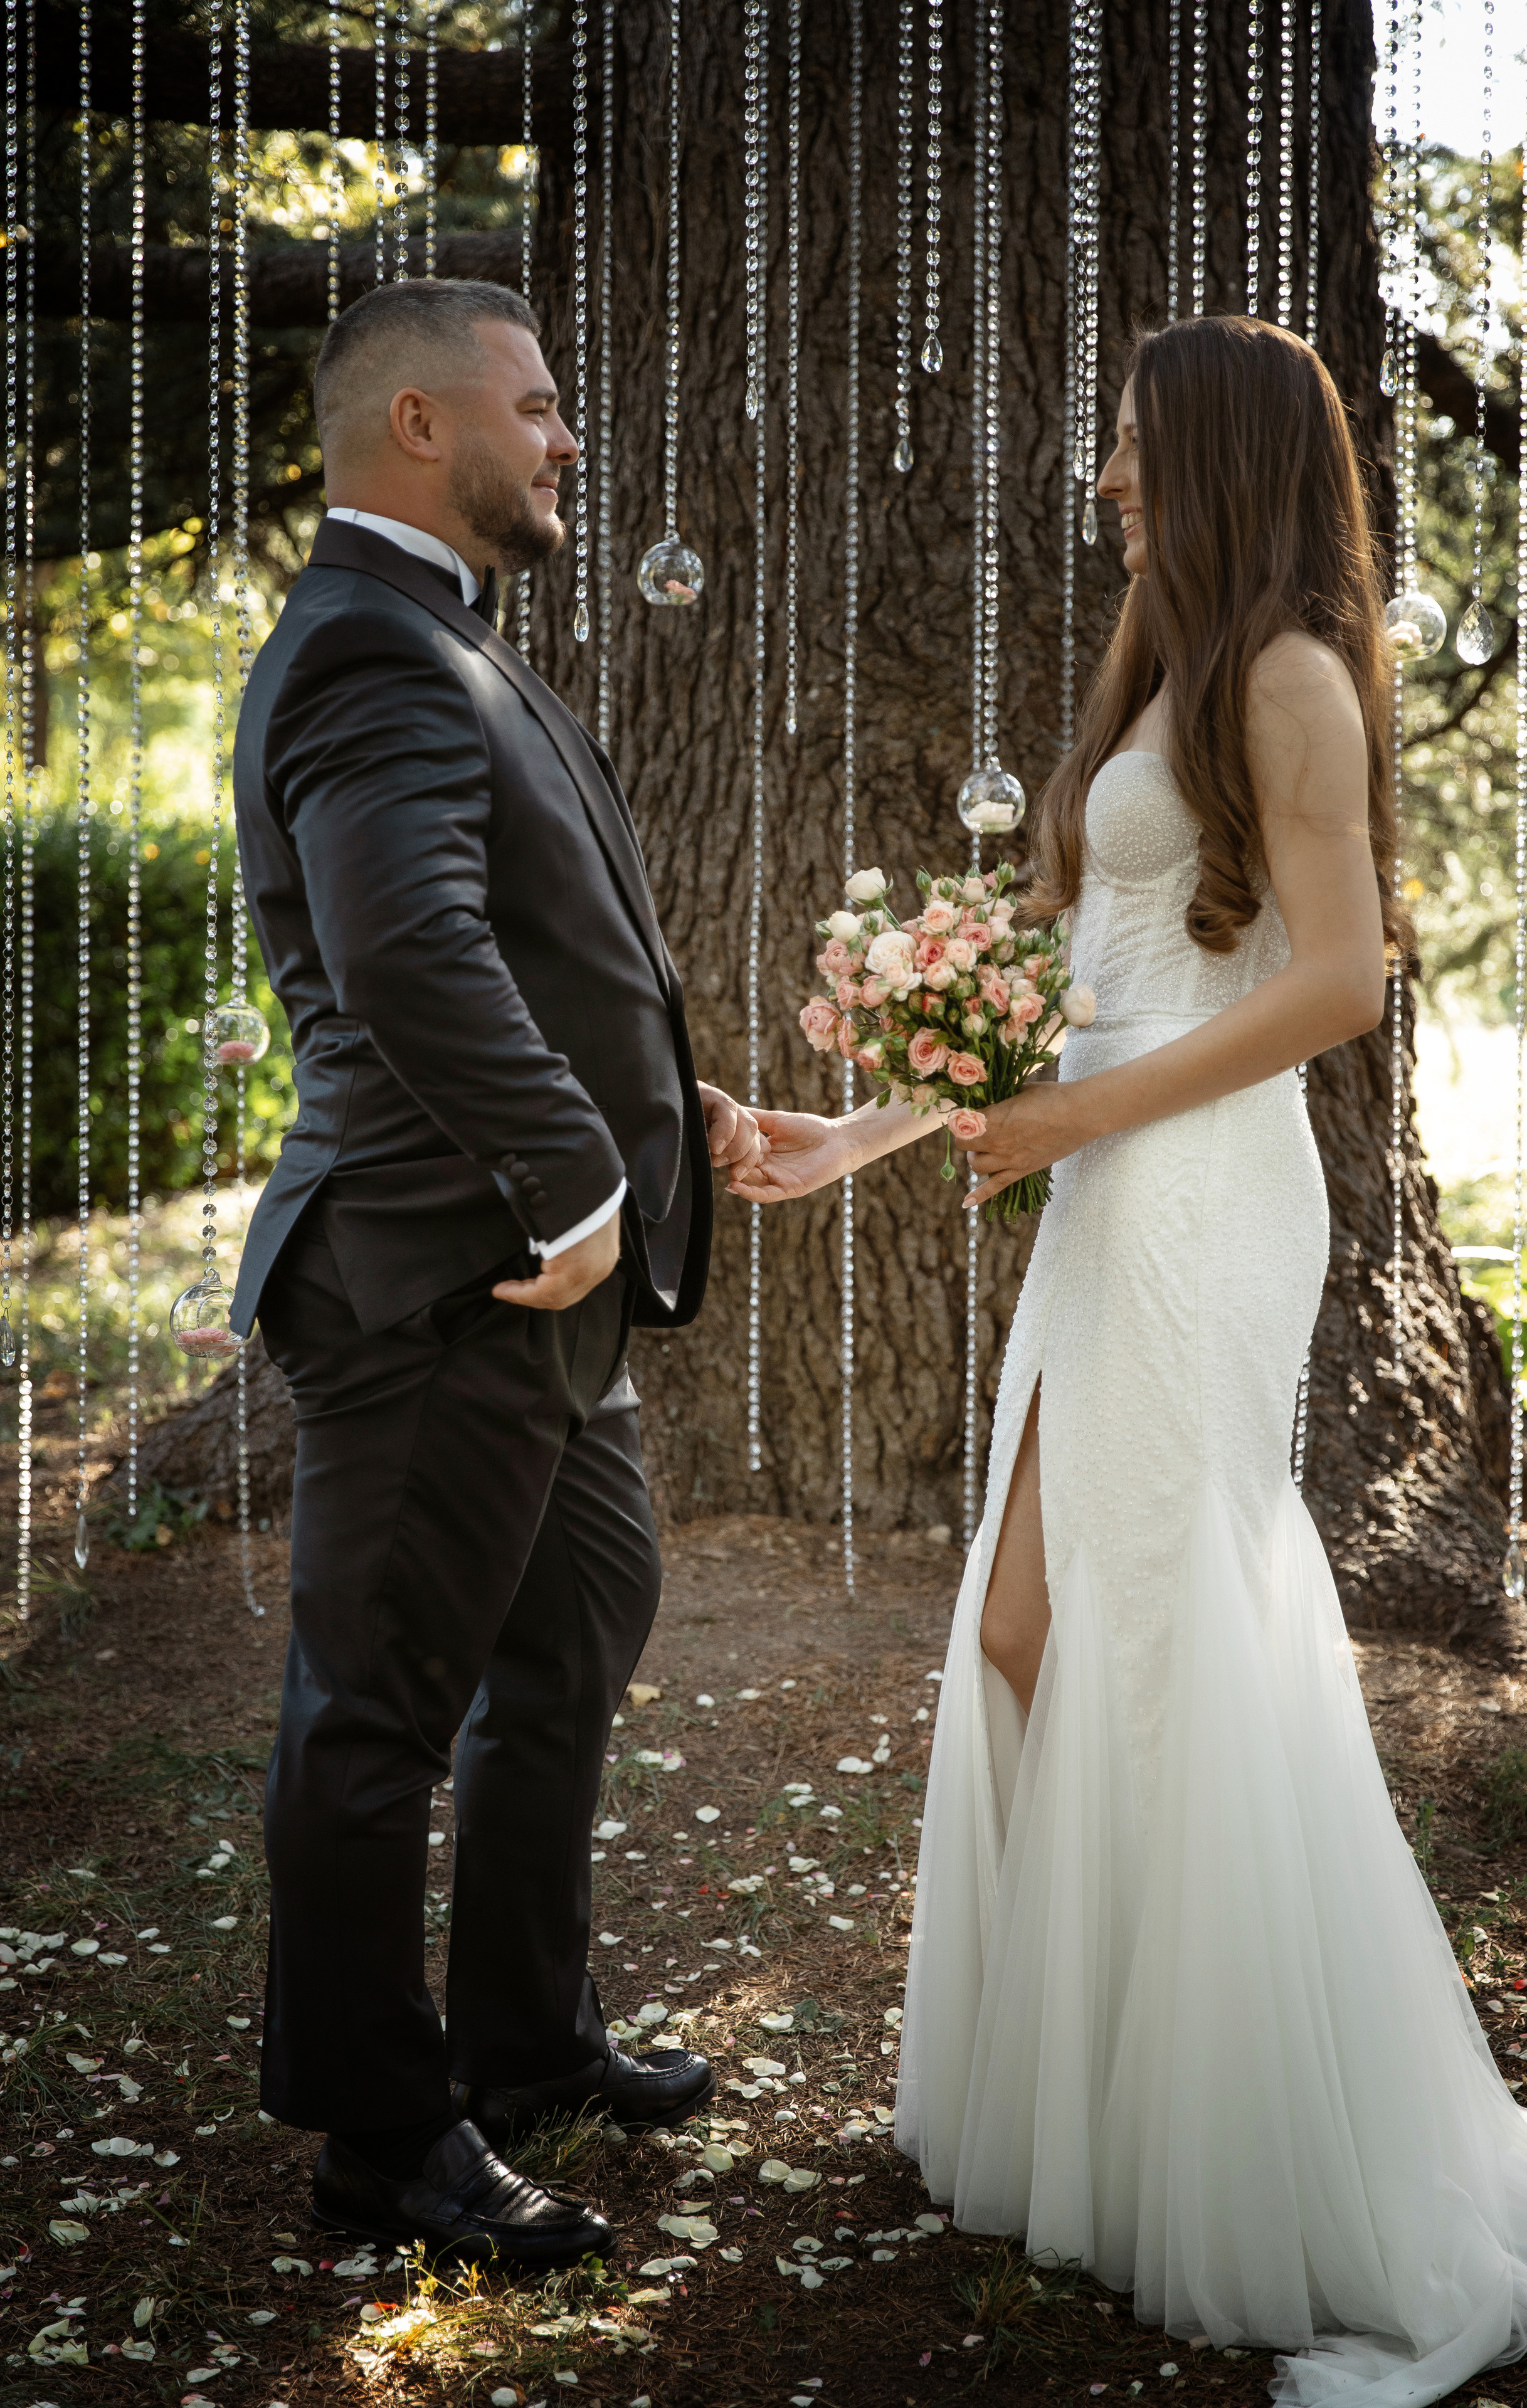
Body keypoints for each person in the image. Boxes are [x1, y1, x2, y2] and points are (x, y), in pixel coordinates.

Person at [731, 315, 1527, 2404]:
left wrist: (1082, 1120)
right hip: (1111, 1177)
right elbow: (1083, 969)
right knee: (1030, 1626)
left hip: (1201, 1188)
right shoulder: (1164, 667)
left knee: (1142, 1624)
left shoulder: (1292, 676)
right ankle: (1109, 2097)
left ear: (1212, 460)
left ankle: (1247, 2135)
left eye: (1132, 449)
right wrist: (857, 1133)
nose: (1107, 480)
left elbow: (1338, 983)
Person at [231, 277, 766, 2268]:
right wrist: (570, 1180)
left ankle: (526, 2043)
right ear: (420, 426)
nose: (565, 438)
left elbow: (526, 944)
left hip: (538, 1283)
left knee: (571, 1635)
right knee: (375, 1714)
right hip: (438, 1276)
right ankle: (384, 2140)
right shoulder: (368, 646)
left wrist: (660, 1104)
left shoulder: (441, 635)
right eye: (533, 406)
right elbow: (405, 951)